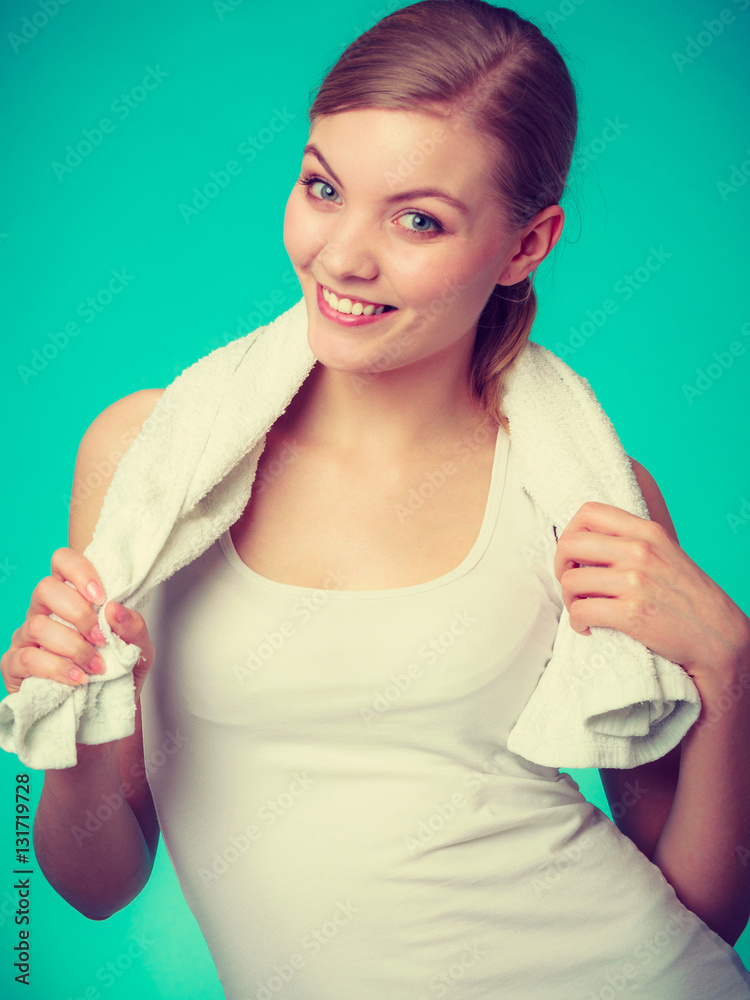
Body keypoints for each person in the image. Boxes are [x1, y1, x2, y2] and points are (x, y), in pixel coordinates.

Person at [2, 1, 749, 997]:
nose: (344, 256)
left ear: (527, 245)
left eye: (419, 219)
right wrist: (76, 703)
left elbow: (702, 909)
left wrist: (733, 673)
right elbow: (94, 881)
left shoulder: (587, 505)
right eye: (323, 187)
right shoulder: (148, 463)